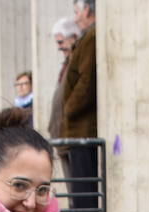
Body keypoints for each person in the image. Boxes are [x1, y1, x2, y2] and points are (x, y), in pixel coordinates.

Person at [61, 0, 99, 212]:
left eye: (76, 12)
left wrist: (68, 110)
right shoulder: (87, 38)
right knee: (79, 191)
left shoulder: (92, 38)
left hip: (83, 130)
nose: (75, 18)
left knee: (84, 191)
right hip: (77, 130)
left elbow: (87, 83)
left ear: (86, 10)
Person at [47, 17, 82, 155]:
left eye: (61, 41)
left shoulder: (76, 61)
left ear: (73, 37)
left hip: (72, 135)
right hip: (62, 136)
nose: (59, 47)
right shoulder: (67, 63)